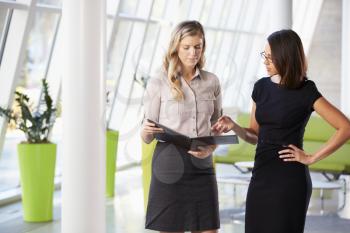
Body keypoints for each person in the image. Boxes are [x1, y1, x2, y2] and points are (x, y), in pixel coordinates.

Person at [212, 29, 350, 233]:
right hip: (260, 177)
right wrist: (235, 126)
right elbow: (254, 136)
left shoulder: (306, 91)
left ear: (285, 57)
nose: (265, 61)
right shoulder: (260, 88)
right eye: (264, 56)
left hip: (289, 181)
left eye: (270, 57)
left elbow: (345, 127)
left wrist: (311, 158)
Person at [141, 20, 222, 233]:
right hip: (169, 163)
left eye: (198, 46)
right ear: (176, 47)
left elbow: (215, 125)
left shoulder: (212, 81)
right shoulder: (158, 81)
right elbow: (147, 133)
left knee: (208, 228)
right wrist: (145, 131)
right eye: (187, 47)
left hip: (202, 164)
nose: (193, 53)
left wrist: (212, 147)